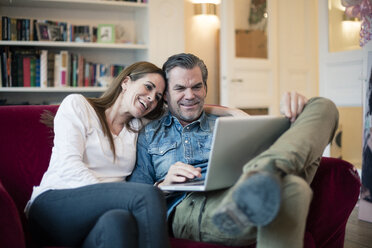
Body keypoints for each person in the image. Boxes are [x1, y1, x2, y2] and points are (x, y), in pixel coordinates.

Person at [128, 53, 339, 248]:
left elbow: (287, 140)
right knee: (291, 188)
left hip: (243, 187)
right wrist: (164, 185)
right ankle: (269, 173)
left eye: (197, 87)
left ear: (205, 89)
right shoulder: (150, 134)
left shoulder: (227, 122)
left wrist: (295, 110)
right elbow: (134, 197)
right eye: (180, 88)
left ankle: (267, 171)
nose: (190, 95)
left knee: (323, 106)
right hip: (191, 206)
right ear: (165, 95)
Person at [25, 61, 171, 248]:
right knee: (148, 196)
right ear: (126, 82)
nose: (151, 98)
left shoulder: (137, 127)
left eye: (158, 97)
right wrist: (113, 198)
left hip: (100, 214)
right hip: (55, 205)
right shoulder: (78, 105)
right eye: (148, 87)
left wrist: (215, 110)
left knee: (118, 222)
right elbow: (68, 165)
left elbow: (177, 110)